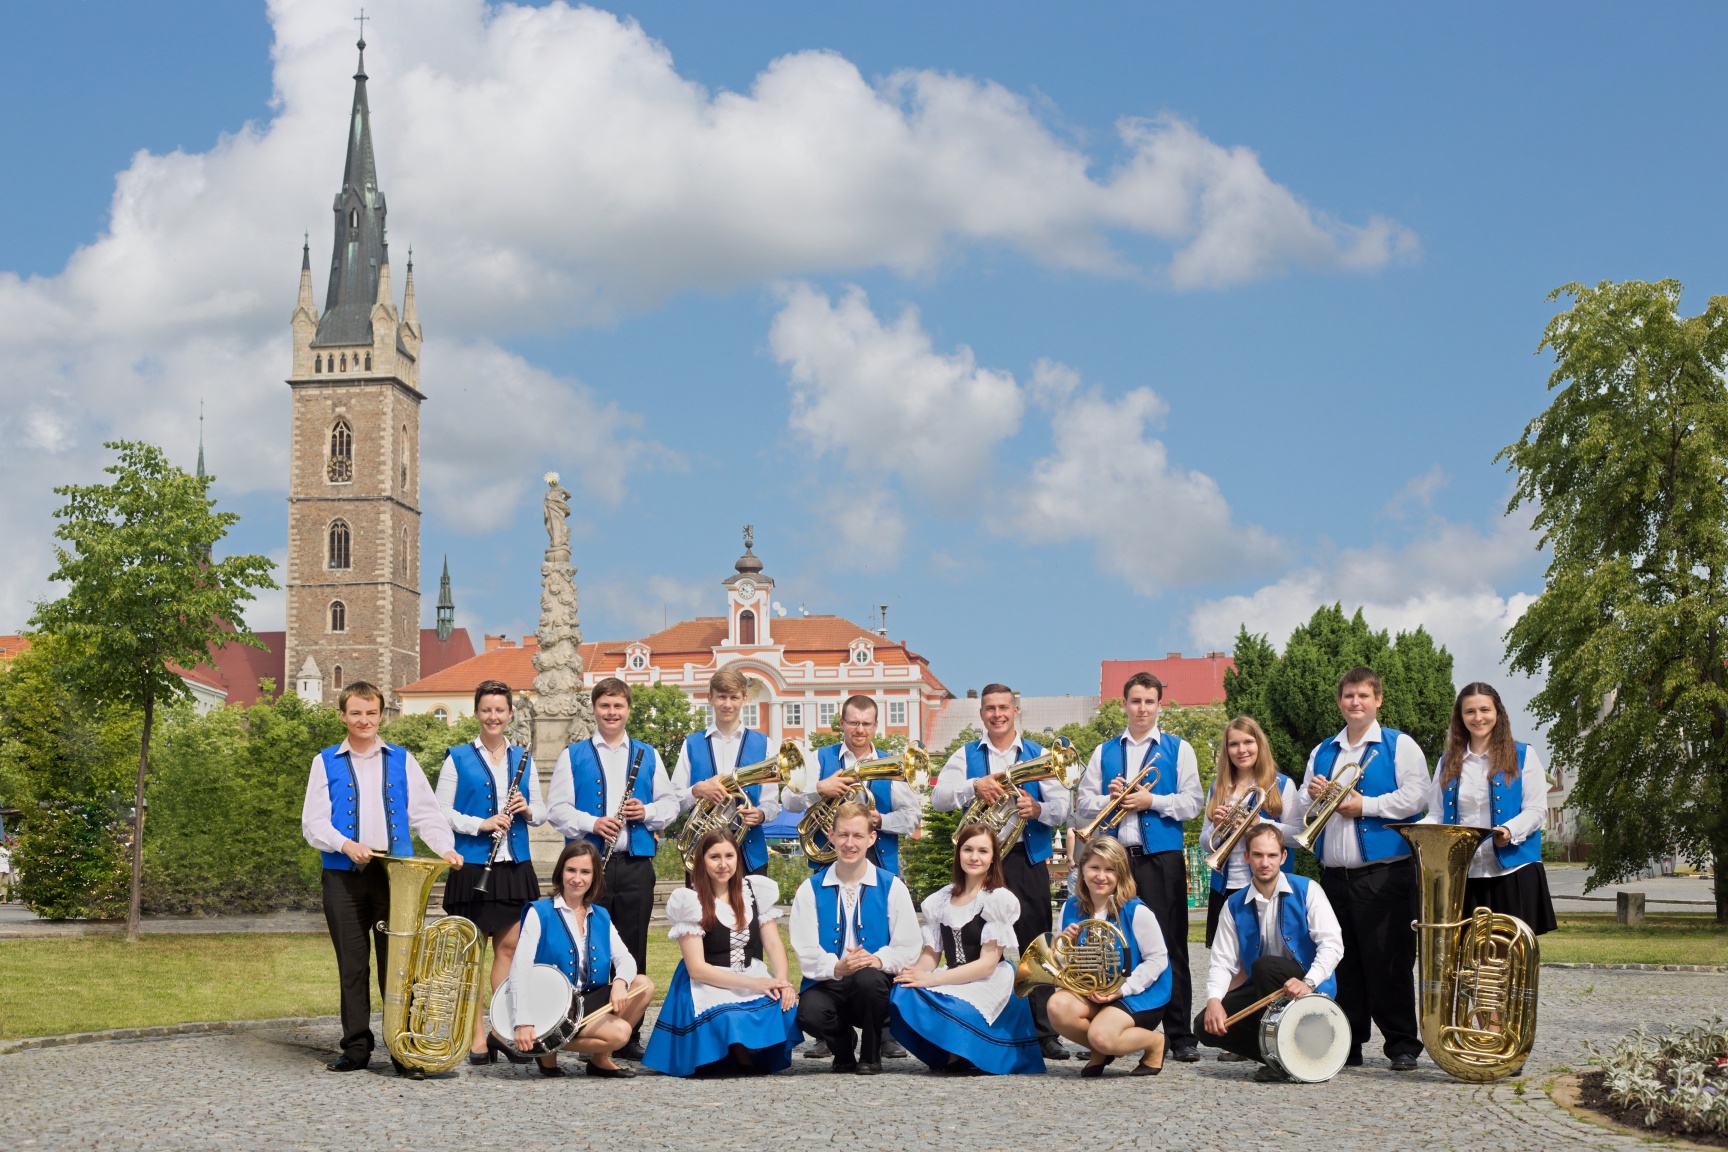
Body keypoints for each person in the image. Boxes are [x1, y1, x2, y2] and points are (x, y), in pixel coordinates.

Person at [299, 681, 461, 1073]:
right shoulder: (324, 761)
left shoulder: (402, 759)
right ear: (343, 715)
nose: (364, 720)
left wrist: (446, 848)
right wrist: (343, 844)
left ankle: (404, 1049)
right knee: (352, 966)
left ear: (381, 715)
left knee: (400, 965)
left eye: (371, 713)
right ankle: (356, 1048)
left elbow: (425, 813)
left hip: (395, 875)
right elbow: (312, 822)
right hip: (343, 875)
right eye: (356, 713)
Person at [932, 684, 1072, 1062]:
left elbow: (1064, 807)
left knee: (1036, 944)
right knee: (974, 943)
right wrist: (973, 787)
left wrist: (1039, 809)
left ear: (1016, 711)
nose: (997, 714)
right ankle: (978, 1026)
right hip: (980, 863)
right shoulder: (965, 755)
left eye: (1004, 708)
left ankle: (1044, 1032)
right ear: (982, 713)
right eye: (990, 708)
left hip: (1026, 858)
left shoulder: (1040, 754)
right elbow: (939, 798)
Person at [1300, 665, 1430, 1072]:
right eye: (1348, 696)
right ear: (1340, 701)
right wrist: (1315, 794)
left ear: (1378, 700)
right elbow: (1303, 804)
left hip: (1384, 874)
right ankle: (1349, 1042)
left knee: (1389, 961)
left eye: (1363, 695)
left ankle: (1402, 1044)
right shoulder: (1323, 751)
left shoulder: (1399, 744)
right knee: (1344, 963)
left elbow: (1418, 796)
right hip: (1334, 877)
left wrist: (1365, 806)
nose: (1355, 702)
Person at [1072, 672, 1204, 1063]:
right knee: (1108, 945)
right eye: (1135, 701)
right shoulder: (1104, 751)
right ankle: (1106, 1032)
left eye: (1149, 701)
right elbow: (1083, 804)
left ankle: (1180, 1036)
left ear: (1159, 705)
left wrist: (1152, 801)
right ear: (1124, 704)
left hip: (1162, 859)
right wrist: (1108, 799)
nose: (1142, 709)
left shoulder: (1179, 749)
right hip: (1115, 859)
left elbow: (1193, 802)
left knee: (1171, 944)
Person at [782, 693, 922, 1060]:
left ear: (875, 726)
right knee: (830, 936)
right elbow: (787, 799)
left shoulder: (891, 764)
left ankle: (885, 1033)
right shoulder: (819, 759)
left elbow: (913, 817)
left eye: (866, 723)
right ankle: (828, 1033)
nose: (859, 729)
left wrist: (879, 820)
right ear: (841, 723)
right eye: (853, 722)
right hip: (828, 864)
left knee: (881, 941)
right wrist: (819, 788)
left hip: (879, 863)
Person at [546, 677, 678, 1061]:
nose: (611, 712)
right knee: (589, 948)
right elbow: (557, 810)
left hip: (635, 864)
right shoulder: (573, 754)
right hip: (590, 869)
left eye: (618, 706)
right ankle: (589, 1028)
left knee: (633, 946)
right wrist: (592, 822)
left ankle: (629, 1034)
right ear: (594, 709)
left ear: (628, 710)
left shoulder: (648, 754)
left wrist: (647, 812)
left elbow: (670, 804)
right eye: (605, 705)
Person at [434, 679, 545, 1065]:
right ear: (476, 713)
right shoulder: (457, 758)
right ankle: (476, 1035)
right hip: (472, 866)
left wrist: (526, 808)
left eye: (500, 710)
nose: (493, 716)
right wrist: (480, 824)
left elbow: (541, 812)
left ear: (510, 714)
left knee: (510, 950)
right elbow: (440, 811)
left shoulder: (523, 758)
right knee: (474, 954)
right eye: (486, 710)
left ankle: (501, 1029)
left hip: (513, 867)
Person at [889, 822, 1044, 1075]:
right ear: (958, 853)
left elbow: (986, 965)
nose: (974, 857)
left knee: (955, 1006)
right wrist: (916, 973)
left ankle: (963, 1054)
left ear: (993, 857)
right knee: (904, 990)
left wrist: (932, 979)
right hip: (954, 975)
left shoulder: (997, 899)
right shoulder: (940, 900)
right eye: (968, 849)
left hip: (988, 980)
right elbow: (931, 954)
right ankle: (948, 1053)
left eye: (983, 851)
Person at [642, 830, 801, 1077]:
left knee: (784, 1005)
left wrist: (781, 982)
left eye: (729, 856)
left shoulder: (755, 892)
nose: (723, 864)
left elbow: (773, 944)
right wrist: (756, 984)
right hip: (708, 980)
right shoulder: (691, 901)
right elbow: (697, 969)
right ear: (701, 861)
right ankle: (737, 1057)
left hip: (749, 971)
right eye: (714, 857)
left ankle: (751, 1055)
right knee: (729, 1017)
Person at [1197, 823, 1345, 1081]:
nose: (1265, 863)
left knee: (1265, 966)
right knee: (1204, 1027)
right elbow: (1222, 962)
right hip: (1266, 988)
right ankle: (1283, 1057)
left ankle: (1290, 1054)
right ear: (1246, 857)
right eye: (1257, 855)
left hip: (1310, 989)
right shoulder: (1234, 904)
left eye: (1272, 855)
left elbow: (1332, 945)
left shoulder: (1308, 890)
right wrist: (1214, 1001)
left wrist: (1309, 982)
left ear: (1283, 857)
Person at [789, 802, 922, 1074]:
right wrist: (836, 967)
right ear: (831, 836)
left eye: (858, 836)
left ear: (871, 838)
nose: (850, 843)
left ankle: (871, 1054)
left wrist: (877, 960)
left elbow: (908, 944)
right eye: (843, 835)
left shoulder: (892, 886)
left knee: (868, 979)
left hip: (873, 984)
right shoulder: (810, 889)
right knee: (809, 1012)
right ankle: (843, 1050)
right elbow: (804, 948)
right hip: (828, 981)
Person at [1420, 682, 1557, 935]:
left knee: (1512, 954)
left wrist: (1509, 830)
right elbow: (1437, 814)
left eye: (1485, 710)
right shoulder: (1447, 761)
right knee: (1462, 954)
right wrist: (1414, 832)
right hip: (1463, 876)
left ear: (1497, 713)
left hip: (1514, 871)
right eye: (1470, 711)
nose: (1478, 717)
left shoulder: (1524, 755)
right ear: (1460, 717)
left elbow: (1536, 809)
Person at [510, 840, 655, 1078]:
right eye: (571, 870)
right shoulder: (539, 912)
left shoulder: (600, 915)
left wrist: (620, 982)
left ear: (594, 876)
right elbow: (520, 969)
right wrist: (522, 1022)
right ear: (561, 872)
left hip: (585, 1002)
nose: (577, 879)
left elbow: (626, 959)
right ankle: (545, 1043)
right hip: (550, 1005)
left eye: (585, 872)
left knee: (643, 985)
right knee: (620, 1033)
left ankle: (599, 1060)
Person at [1046, 835, 1171, 1078]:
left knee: (1101, 1036)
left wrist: (1122, 990)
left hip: (1137, 993)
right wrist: (1065, 945)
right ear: (1082, 869)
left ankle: (1155, 1043)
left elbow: (1158, 960)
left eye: (1110, 869)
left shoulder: (1136, 910)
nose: (1101, 876)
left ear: (1121, 874)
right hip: (1095, 991)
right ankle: (1102, 1049)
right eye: (1094, 867)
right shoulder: (1070, 907)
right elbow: (1062, 963)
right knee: (1057, 1006)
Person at [1199, 716, 1302, 948]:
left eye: (1248, 742)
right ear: (1226, 750)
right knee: (1228, 959)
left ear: (1259, 744)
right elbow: (1206, 843)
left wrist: (1260, 824)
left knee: (1269, 956)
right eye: (1233, 744)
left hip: (1268, 886)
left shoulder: (1282, 784)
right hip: (1225, 887)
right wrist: (1216, 827)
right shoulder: (1217, 787)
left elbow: (1297, 835)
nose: (1241, 750)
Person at [673, 668, 781, 877]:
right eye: (721, 697)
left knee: (752, 900)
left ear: (744, 699)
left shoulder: (764, 744)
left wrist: (760, 815)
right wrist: (696, 790)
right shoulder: (691, 743)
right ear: (710, 699)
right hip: (702, 849)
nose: (727, 704)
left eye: (734, 697)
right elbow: (673, 800)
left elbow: (771, 803)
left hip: (750, 851)